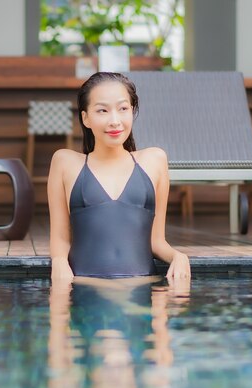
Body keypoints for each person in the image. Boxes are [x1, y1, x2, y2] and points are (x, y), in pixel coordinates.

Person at [47, 71, 190, 284]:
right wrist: (59, 263)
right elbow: (59, 238)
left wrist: (178, 256)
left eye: (123, 109)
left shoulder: (154, 160)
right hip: (85, 288)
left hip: (140, 289)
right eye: (102, 110)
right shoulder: (65, 162)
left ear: (132, 111)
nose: (115, 121)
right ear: (85, 117)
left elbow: (156, 241)